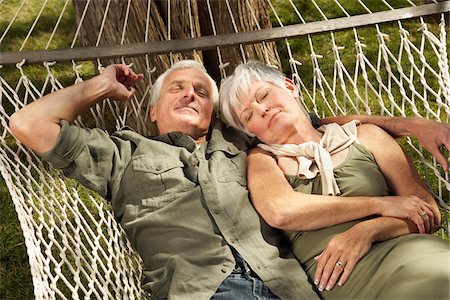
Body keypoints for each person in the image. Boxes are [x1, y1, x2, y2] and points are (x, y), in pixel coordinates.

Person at [9, 60, 449, 299]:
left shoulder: (242, 142)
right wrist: (100, 87)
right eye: (177, 89)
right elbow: (28, 125)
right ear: (151, 111)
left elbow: (303, 124)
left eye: (202, 92)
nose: (190, 95)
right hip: (200, 289)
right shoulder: (121, 154)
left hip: (289, 287)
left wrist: (410, 125)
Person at [218, 61, 450, 299]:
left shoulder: (365, 136)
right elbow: (281, 211)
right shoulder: (263, 159)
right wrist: (379, 205)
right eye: (249, 115)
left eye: (264, 95)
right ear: (250, 131)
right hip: (337, 277)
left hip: (409, 251)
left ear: (290, 87)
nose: (262, 109)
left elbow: (428, 211)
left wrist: (367, 231)